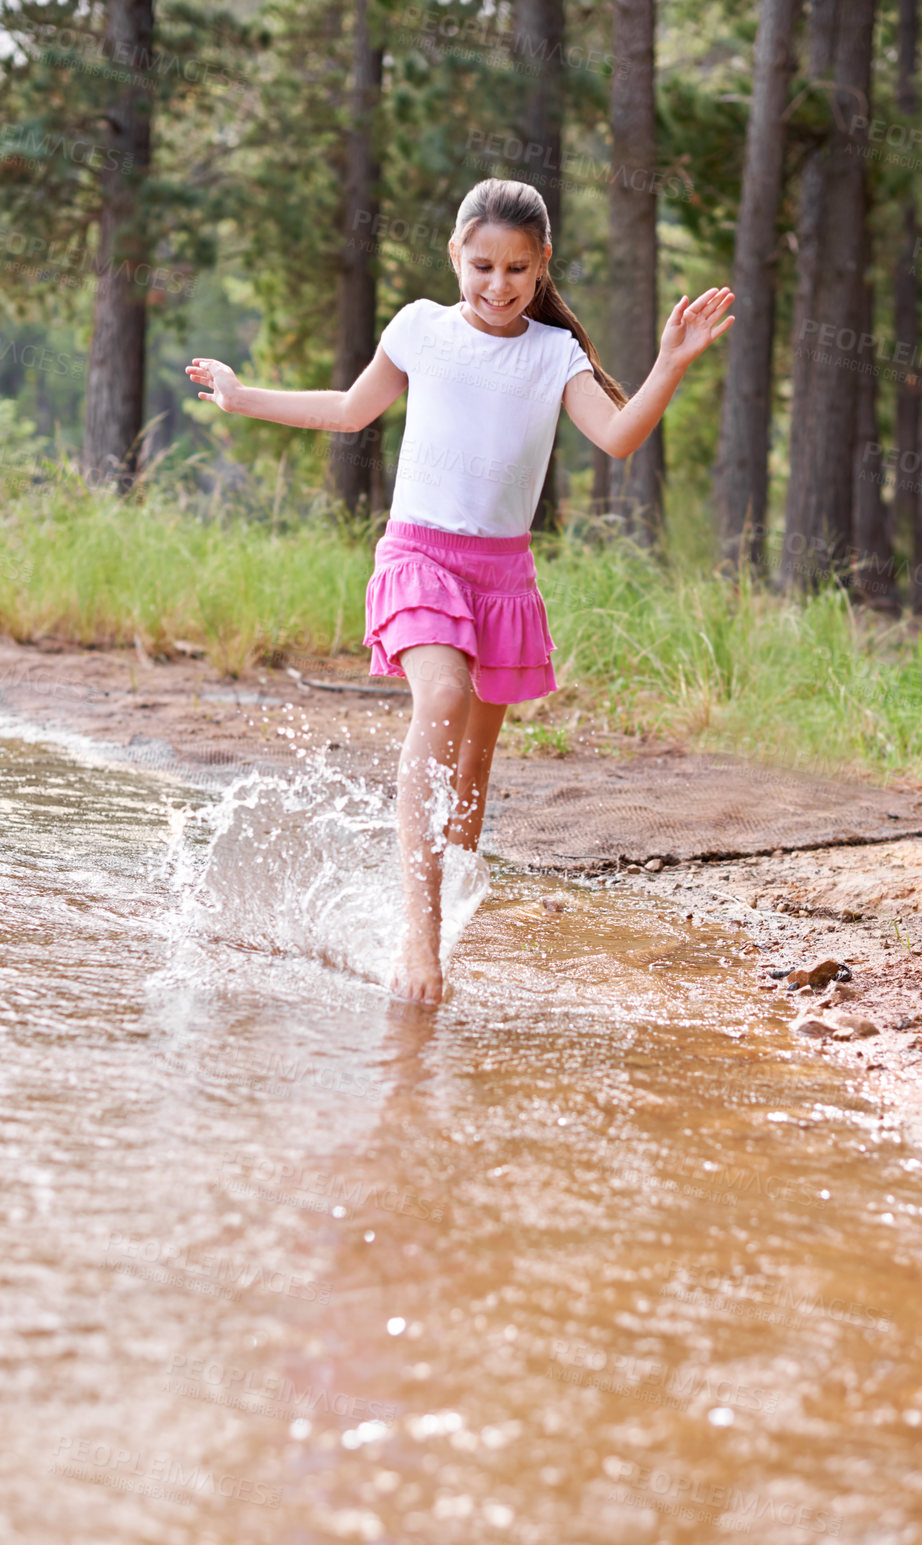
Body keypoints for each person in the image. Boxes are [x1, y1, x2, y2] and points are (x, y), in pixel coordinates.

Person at [186, 176, 734, 1005]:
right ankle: (416, 944)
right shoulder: (419, 328)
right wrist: (239, 395)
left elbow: (620, 438)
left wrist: (667, 364)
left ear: (542, 265)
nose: (498, 285)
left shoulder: (554, 354)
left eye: (518, 269)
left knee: (472, 772)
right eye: (482, 265)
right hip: (420, 556)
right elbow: (345, 410)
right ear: (454, 253)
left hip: (502, 575)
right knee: (439, 698)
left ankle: (438, 933)